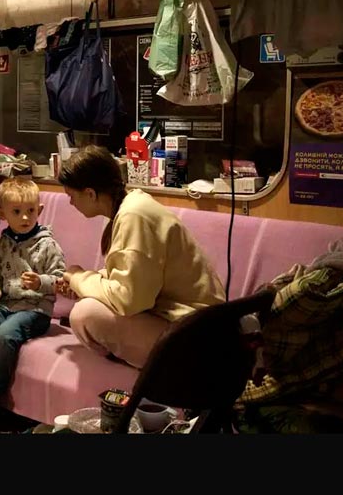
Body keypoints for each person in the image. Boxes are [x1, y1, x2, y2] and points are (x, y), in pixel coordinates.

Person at [57, 145, 226, 369]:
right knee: (88, 302)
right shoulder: (132, 205)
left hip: (193, 332)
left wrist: (78, 277)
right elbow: (135, 276)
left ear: (90, 193)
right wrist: (80, 284)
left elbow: (129, 300)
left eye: (71, 196)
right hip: (187, 321)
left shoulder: (133, 216)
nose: (70, 203)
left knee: (84, 314)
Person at [0, 177, 65, 417]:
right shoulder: (2, 244)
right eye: (17, 212)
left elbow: (60, 280)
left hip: (35, 309)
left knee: (3, 336)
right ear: (2, 214)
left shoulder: (48, 245)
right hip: (6, 305)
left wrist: (41, 281)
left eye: (31, 211)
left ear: (39, 210)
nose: (25, 218)